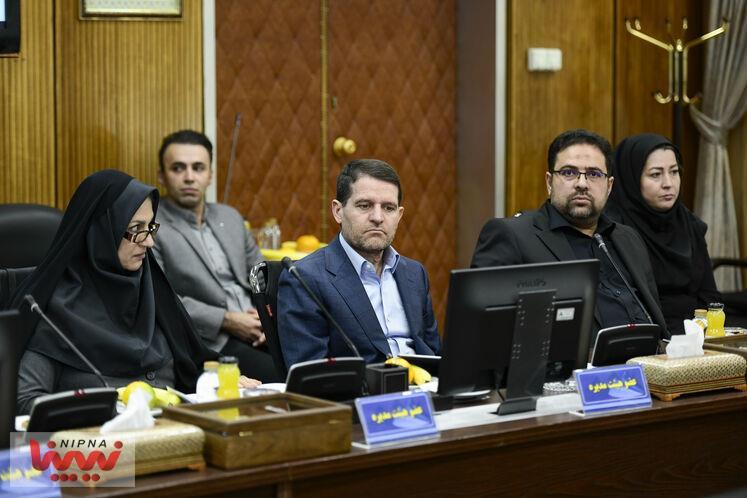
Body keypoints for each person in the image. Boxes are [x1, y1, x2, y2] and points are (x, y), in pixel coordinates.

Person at [13, 170, 259, 415]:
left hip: (176, 429)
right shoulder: (53, 308)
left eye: (150, 227)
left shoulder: (152, 291)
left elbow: (191, 366)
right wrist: (101, 412)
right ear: (101, 231)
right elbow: (26, 402)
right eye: (135, 229)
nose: (149, 242)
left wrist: (220, 381)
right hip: (97, 436)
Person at [471, 129, 668, 337]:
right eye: (568, 172)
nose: (581, 184)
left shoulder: (627, 238)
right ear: (549, 182)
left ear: (609, 186)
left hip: (651, 354)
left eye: (594, 174)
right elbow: (481, 326)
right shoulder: (513, 235)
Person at [277, 159, 441, 367]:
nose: (378, 217)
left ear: (399, 215)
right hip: (359, 386)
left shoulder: (415, 273)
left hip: (425, 383)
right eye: (365, 205)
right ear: (338, 211)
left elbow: (434, 352)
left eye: (388, 208)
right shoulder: (305, 279)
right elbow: (312, 374)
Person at [152, 130, 280, 382]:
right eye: (178, 168)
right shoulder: (152, 226)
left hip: (258, 327)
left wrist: (269, 318)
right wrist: (226, 320)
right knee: (282, 376)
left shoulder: (229, 217)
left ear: (210, 175)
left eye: (198, 168)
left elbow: (265, 276)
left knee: (317, 363)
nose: (189, 177)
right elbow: (160, 299)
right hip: (212, 339)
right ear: (162, 176)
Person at [605, 133, 722, 335]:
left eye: (674, 172)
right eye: (655, 174)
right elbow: (622, 304)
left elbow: (709, 296)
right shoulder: (613, 229)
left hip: (696, 335)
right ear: (632, 179)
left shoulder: (689, 223)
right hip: (647, 337)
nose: (668, 183)